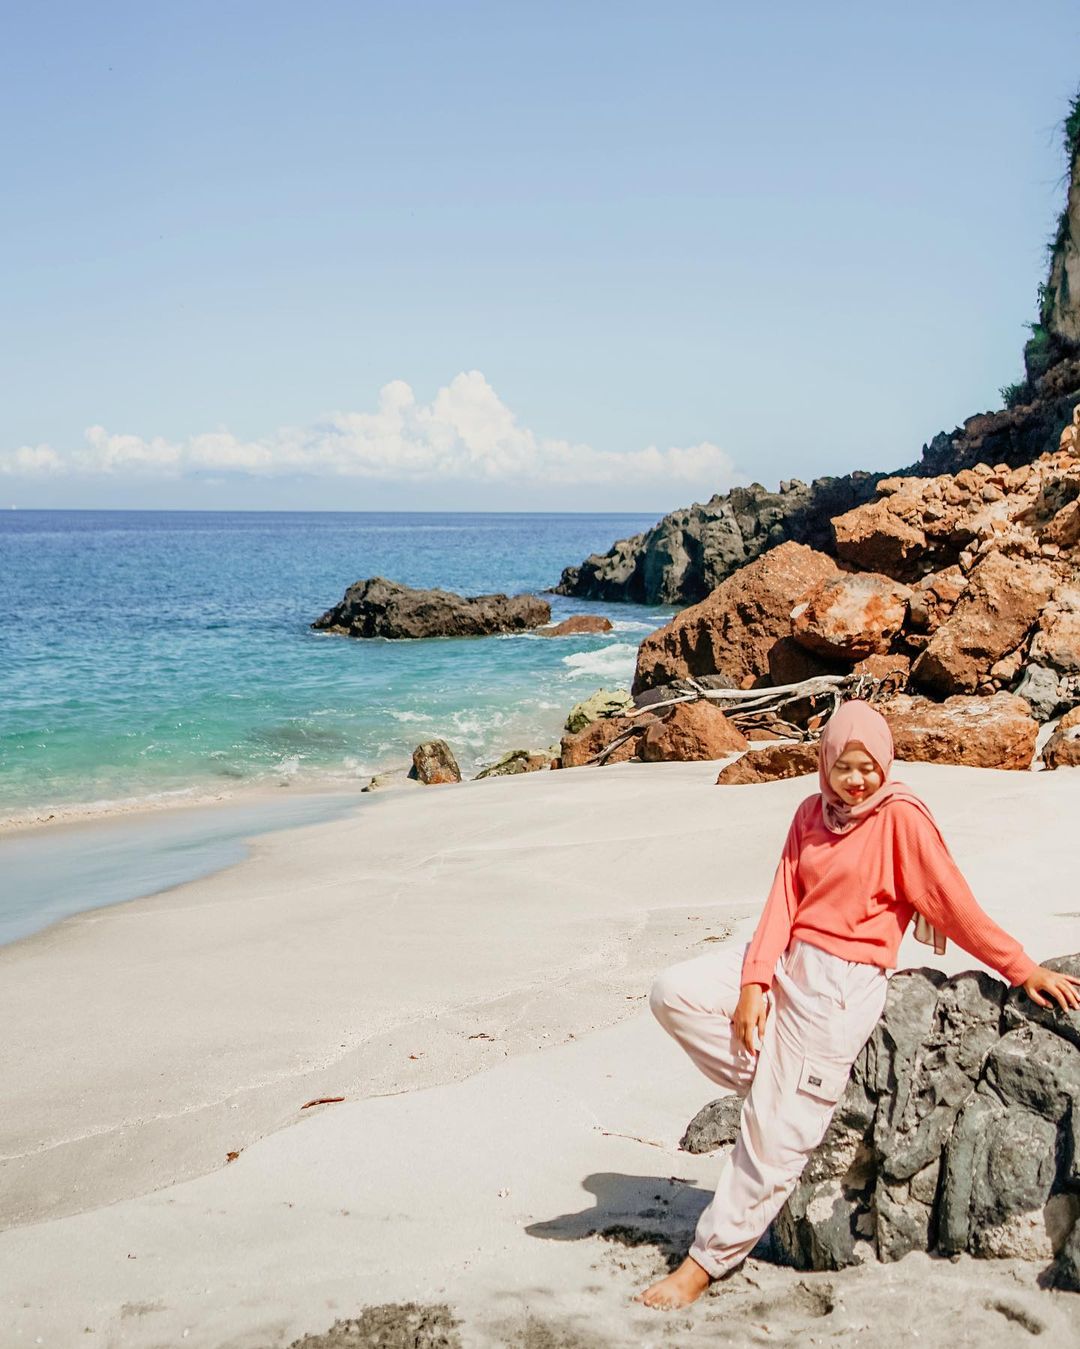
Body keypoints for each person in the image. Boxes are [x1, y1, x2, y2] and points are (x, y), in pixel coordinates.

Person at [637, 699, 1080, 1311]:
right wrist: (753, 983)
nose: (856, 780)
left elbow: (954, 902)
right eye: (844, 766)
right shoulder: (809, 813)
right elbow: (781, 903)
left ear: (886, 763)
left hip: (842, 986)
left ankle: (705, 1263)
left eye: (868, 766)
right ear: (825, 763)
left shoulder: (901, 820)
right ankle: (780, 1086)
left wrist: (1020, 967)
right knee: (672, 994)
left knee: (773, 1132)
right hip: (787, 958)